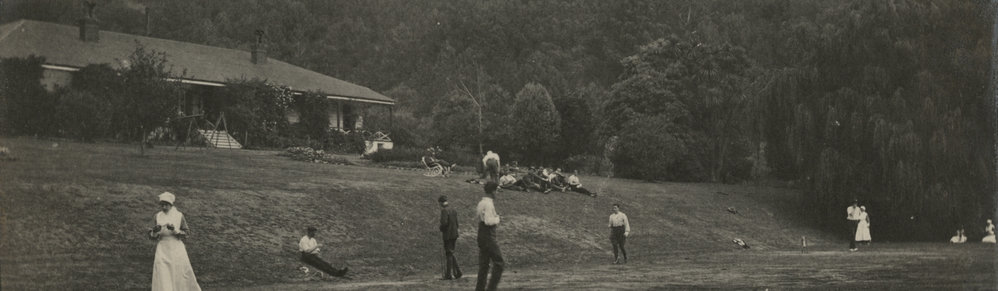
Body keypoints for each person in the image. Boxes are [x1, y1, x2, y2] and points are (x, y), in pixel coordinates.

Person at [149, 192, 202, 291]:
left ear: (171, 204)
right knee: (162, 272)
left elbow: (186, 234)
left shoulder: (179, 215)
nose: (164, 207)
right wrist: (155, 231)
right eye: (162, 205)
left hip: (176, 248)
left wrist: (174, 230)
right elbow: (151, 236)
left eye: (166, 205)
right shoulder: (157, 216)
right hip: (162, 248)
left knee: (178, 272)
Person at [476, 182, 504, 291]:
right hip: (488, 234)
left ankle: (479, 289)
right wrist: (497, 218)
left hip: (481, 234)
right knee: (499, 262)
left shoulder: (481, 202)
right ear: (493, 191)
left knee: (484, 265)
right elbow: (488, 221)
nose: (497, 193)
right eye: (496, 190)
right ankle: (491, 288)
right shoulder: (488, 204)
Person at [438, 196, 463, 280]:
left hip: (448, 235)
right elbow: (457, 223)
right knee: (451, 252)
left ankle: (448, 275)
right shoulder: (453, 210)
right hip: (454, 234)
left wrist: (441, 228)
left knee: (449, 253)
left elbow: (444, 223)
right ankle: (458, 272)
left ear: (441, 203)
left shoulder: (444, 211)